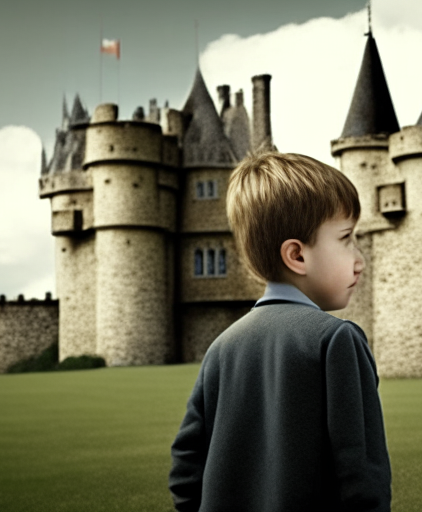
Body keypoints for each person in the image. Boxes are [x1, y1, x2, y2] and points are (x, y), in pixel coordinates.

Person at [168, 152, 392, 512]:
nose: (360, 259)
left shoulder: (221, 348)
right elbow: (362, 475)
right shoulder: (337, 340)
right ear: (297, 256)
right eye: (347, 238)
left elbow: (185, 470)